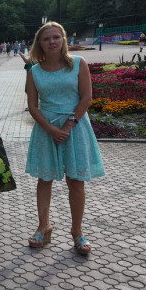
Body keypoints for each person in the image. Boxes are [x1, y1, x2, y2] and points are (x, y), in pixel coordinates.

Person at [25, 22, 105, 255]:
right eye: (46, 38)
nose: (52, 42)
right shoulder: (34, 71)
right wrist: (50, 128)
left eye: (56, 37)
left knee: (76, 181)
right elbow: (32, 105)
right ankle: (43, 227)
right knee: (45, 179)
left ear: (63, 40)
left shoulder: (78, 64)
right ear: (39, 43)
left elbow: (86, 98)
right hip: (45, 128)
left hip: (75, 127)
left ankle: (77, 232)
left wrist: (69, 125)